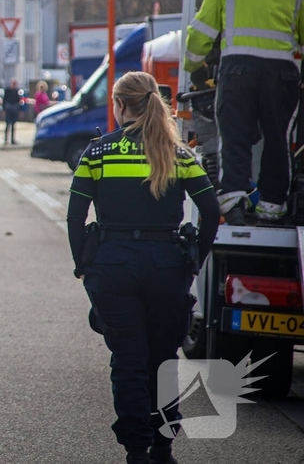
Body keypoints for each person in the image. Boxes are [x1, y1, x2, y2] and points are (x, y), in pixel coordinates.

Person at [67, 72, 220, 464]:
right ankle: (164, 448)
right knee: (163, 361)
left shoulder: (97, 153)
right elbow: (211, 209)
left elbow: (75, 215)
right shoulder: (177, 152)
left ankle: (137, 452)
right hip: (167, 266)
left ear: (120, 105)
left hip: (112, 266)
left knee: (128, 362)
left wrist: (82, 263)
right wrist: (195, 261)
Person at [184, 0, 304, 225]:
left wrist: (195, 66)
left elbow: (199, 34)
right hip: (281, 74)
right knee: (278, 139)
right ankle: (271, 207)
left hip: (237, 71)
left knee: (234, 136)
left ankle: (234, 202)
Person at [2, 78, 21, 144]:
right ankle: (6, 139)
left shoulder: (16, 91)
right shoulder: (7, 91)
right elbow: (4, 100)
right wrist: (4, 110)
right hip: (8, 109)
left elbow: (18, 101)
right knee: (7, 124)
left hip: (14, 110)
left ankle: (12, 139)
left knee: (13, 125)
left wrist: (19, 110)